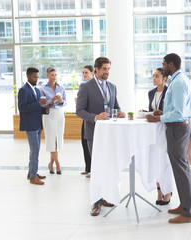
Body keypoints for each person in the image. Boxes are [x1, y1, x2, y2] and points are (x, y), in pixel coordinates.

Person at [146, 53, 191, 224]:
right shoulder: (179, 80)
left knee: (181, 171)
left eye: (164, 64)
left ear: (171, 64)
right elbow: (176, 109)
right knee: (180, 170)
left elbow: (180, 112)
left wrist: (159, 118)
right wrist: (164, 113)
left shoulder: (180, 82)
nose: (163, 66)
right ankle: (184, 205)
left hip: (178, 129)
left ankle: (189, 213)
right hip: (177, 127)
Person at [76, 57, 126, 216]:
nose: (107, 72)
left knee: (108, 166)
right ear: (96, 69)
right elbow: (80, 111)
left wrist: (120, 112)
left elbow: (115, 106)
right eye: (104, 69)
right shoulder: (86, 87)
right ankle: (96, 202)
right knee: (96, 168)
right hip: (93, 132)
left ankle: (104, 197)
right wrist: (96, 117)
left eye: (109, 69)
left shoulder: (112, 87)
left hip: (110, 133)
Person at [18, 67, 53, 185]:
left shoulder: (37, 90)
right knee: (34, 150)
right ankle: (33, 176)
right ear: (28, 76)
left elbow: (38, 108)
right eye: (34, 77)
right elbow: (22, 109)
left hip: (38, 123)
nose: (36, 79)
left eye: (37, 77)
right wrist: (38, 104)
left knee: (35, 149)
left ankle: (32, 172)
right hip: (30, 124)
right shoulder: (23, 90)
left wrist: (46, 107)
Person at [148, 67, 172, 205]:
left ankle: (167, 191)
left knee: (165, 160)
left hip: (165, 129)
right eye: (153, 76)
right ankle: (159, 191)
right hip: (154, 131)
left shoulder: (169, 91)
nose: (154, 78)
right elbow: (152, 109)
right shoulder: (151, 92)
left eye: (157, 76)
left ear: (164, 79)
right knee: (156, 160)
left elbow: (169, 111)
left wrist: (161, 113)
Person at [41, 67, 66, 175]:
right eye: (52, 75)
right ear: (47, 76)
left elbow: (65, 102)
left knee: (57, 140)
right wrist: (51, 100)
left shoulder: (61, 88)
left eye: (55, 75)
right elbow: (42, 104)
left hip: (60, 114)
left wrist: (60, 101)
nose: (54, 77)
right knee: (51, 139)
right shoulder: (42, 89)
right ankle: (58, 165)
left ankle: (51, 164)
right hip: (49, 115)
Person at [80, 65, 94, 176]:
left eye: (86, 72)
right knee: (84, 142)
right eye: (83, 72)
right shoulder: (84, 86)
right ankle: (88, 167)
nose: (84, 74)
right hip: (85, 118)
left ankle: (92, 169)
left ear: (92, 72)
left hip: (92, 119)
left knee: (90, 143)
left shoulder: (93, 87)